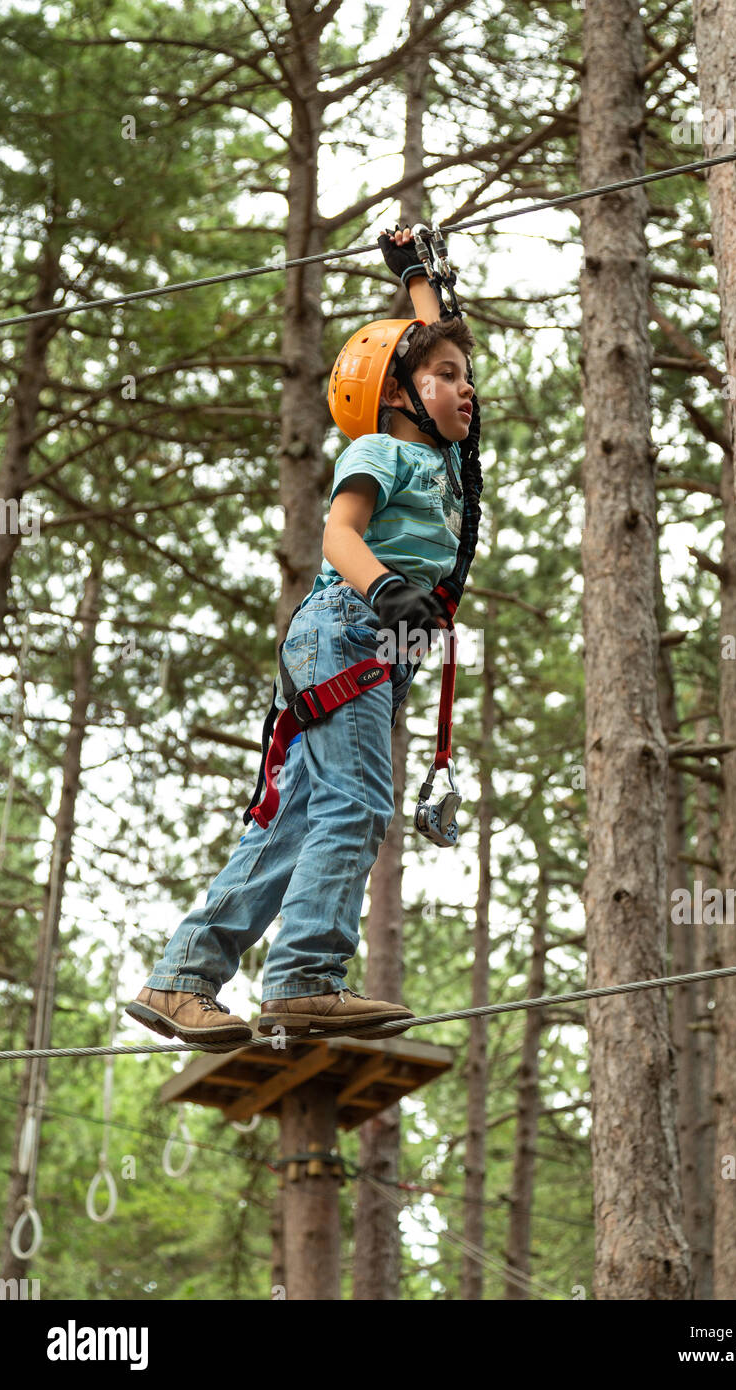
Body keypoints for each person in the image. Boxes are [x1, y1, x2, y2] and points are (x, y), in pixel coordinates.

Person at [126, 227, 478, 1051]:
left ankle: (184, 975)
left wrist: (421, 282)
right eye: (449, 379)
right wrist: (387, 588)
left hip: (365, 648)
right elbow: (340, 534)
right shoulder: (381, 449)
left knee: (293, 825)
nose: (469, 391)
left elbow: (437, 358)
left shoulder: (451, 463)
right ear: (398, 394)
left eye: (466, 378)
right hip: (350, 628)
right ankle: (305, 978)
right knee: (357, 803)